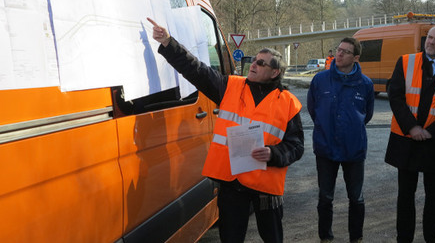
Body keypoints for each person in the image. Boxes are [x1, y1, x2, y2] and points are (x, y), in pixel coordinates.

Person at [147, 18, 304, 243]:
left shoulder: (288, 102)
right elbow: (196, 70)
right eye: (254, 60)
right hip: (233, 183)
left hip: (266, 185)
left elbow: (297, 146)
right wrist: (168, 43)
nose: (253, 64)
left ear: (275, 73)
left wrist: (273, 154)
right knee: (230, 237)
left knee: (273, 237)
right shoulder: (231, 86)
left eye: (261, 63)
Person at [385, 25, 435, 243]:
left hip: (434, 142)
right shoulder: (406, 61)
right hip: (407, 138)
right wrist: (412, 128)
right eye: (429, 38)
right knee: (405, 196)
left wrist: (430, 133)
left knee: (434, 197)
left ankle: (432, 238)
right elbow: (396, 97)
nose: (431, 42)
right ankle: (404, 238)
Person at [307, 37, 375, 243]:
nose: (339, 54)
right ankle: (325, 237)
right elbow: (313, 109)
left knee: (356, 197)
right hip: (325, 148)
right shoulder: (320, 80)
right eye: (338, 50)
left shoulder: (365, 84)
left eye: (345, 52)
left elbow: (367, 114)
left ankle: (356, 237)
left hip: (353, 149)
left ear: (355, 58)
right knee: (325, 197)